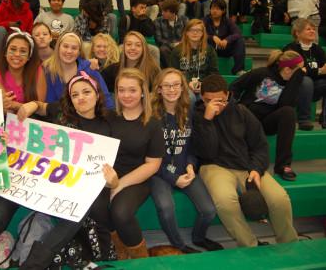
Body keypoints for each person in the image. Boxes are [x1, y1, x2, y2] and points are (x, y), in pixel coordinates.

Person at [0, 71, 118, 270]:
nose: (81, 98)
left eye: (86, 92)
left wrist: (113, 182)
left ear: (97, 94)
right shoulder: (60, 111)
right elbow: (40, 105)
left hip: (68, 188)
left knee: (77, 215)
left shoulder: (109, 122)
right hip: (27, 177)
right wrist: (31, 105)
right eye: (75, 94)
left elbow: (110, 166)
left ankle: (32, 266)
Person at [193, 74, 298, 247]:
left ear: (227, 95)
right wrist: (207, 121)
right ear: (202, 98)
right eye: (207, 100)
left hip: (246, 165)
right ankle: (249, 245)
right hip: (213, 166)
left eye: (219, 99)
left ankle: (289, 243)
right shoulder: (198, 117)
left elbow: (260, 146)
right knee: (226, 201)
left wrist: (256, 169)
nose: (213, 105)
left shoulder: (241, 112)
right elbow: (207, 153)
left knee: (279, 199)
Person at [92, 67, 164, 259]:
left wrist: (119, 185)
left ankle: (141, 258)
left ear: (142, 92)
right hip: (107, 176)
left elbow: (153, 165)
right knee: (97, 208)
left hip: (137, 178)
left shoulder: (153, 123)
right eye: (121, 90)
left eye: (132, 90)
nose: (126, 95)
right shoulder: (108, 116)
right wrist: (35, 105)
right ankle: (120, 252)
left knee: (121, 212)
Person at [150, 68, 223, 253]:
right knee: (166, 207)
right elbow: (149, 158)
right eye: (166, 85)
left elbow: (192, 146)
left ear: (183, 88)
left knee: (209, 211)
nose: (172, 89)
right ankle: (179, 245)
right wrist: (173, 178)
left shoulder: (188, 112)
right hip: (159, 172)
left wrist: (191, 165)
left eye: (176, 85)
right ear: (159, 89)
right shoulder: (151, 116)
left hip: (185, 168)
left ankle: (198, 238)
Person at [229, 50, 305, 181]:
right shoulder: (262, 73)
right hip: (248, 119)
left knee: (288, 112)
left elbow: (285, 105)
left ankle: (283, 166)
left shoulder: (293, 83)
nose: (303, 72)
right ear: (287, 69)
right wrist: (234, 108)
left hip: (267, 122)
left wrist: (296, 78)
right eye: (300, 70)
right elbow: (235, 86)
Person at [44, 32, 114, 108]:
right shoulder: (48, 71)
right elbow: (48, 104)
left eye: (74, 48)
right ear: (58, 48)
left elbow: (106, 99)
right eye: (65, 46)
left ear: (79, 52)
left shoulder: (89, 70)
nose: (69, 51)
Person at [283, 18, 326, 130]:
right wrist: (319, 71)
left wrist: (317, 71)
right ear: (297, 33)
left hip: (314, 87)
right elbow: (297, 72)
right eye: (308, 29)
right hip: (293, 88)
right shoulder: (290, 48)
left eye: (313, 29)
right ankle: (304, 120)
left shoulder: (318, 50)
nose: (312, 31)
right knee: (306, 81)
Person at [0, 28, 46, 114]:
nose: (17, 54)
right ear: (5, 52)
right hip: (9, 121)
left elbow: (40, 109)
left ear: (29, 56)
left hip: (33, 121)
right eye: (13, 49)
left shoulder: (38, 70)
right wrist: (29, 106)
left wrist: (15, 105)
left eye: (23, 51)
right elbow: (6, 108)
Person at [168, 19, 219, 101]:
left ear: (202, 33)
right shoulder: (177, 51)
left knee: (206, 98)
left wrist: (203, 84)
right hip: (183, 86)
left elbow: (214, 73)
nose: (195, 33)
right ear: (187, 33)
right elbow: (173, 73)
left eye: (198, 30)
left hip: (204, 86)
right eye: (192, 30)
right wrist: (187, 83)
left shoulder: (210, 50)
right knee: (191, 98)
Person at [203, 0, 246, 75]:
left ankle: (238, 70)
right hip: (210, 50)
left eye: (217, 9)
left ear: (223, 11)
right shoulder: (205, 20)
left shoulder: (227, 21)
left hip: (224, 48)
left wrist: (227, 40)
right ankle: (205, 71)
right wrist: (212, 37)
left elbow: (238, 33)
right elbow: (200, 34)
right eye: (212, 8)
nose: (214, 11)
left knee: (240, 41)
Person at [154, 0, 188, 68]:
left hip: (181, 45)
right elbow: (159, 40)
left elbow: (188, 35)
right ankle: (172, 69)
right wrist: (172, 44)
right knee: (163, 49)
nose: (162, 13)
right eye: (162, 11)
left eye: (165, 11)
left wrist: (181, 43)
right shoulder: (158, 21)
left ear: (173, 12)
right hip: (167, 46)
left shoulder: (184, 20)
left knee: (185, 48)